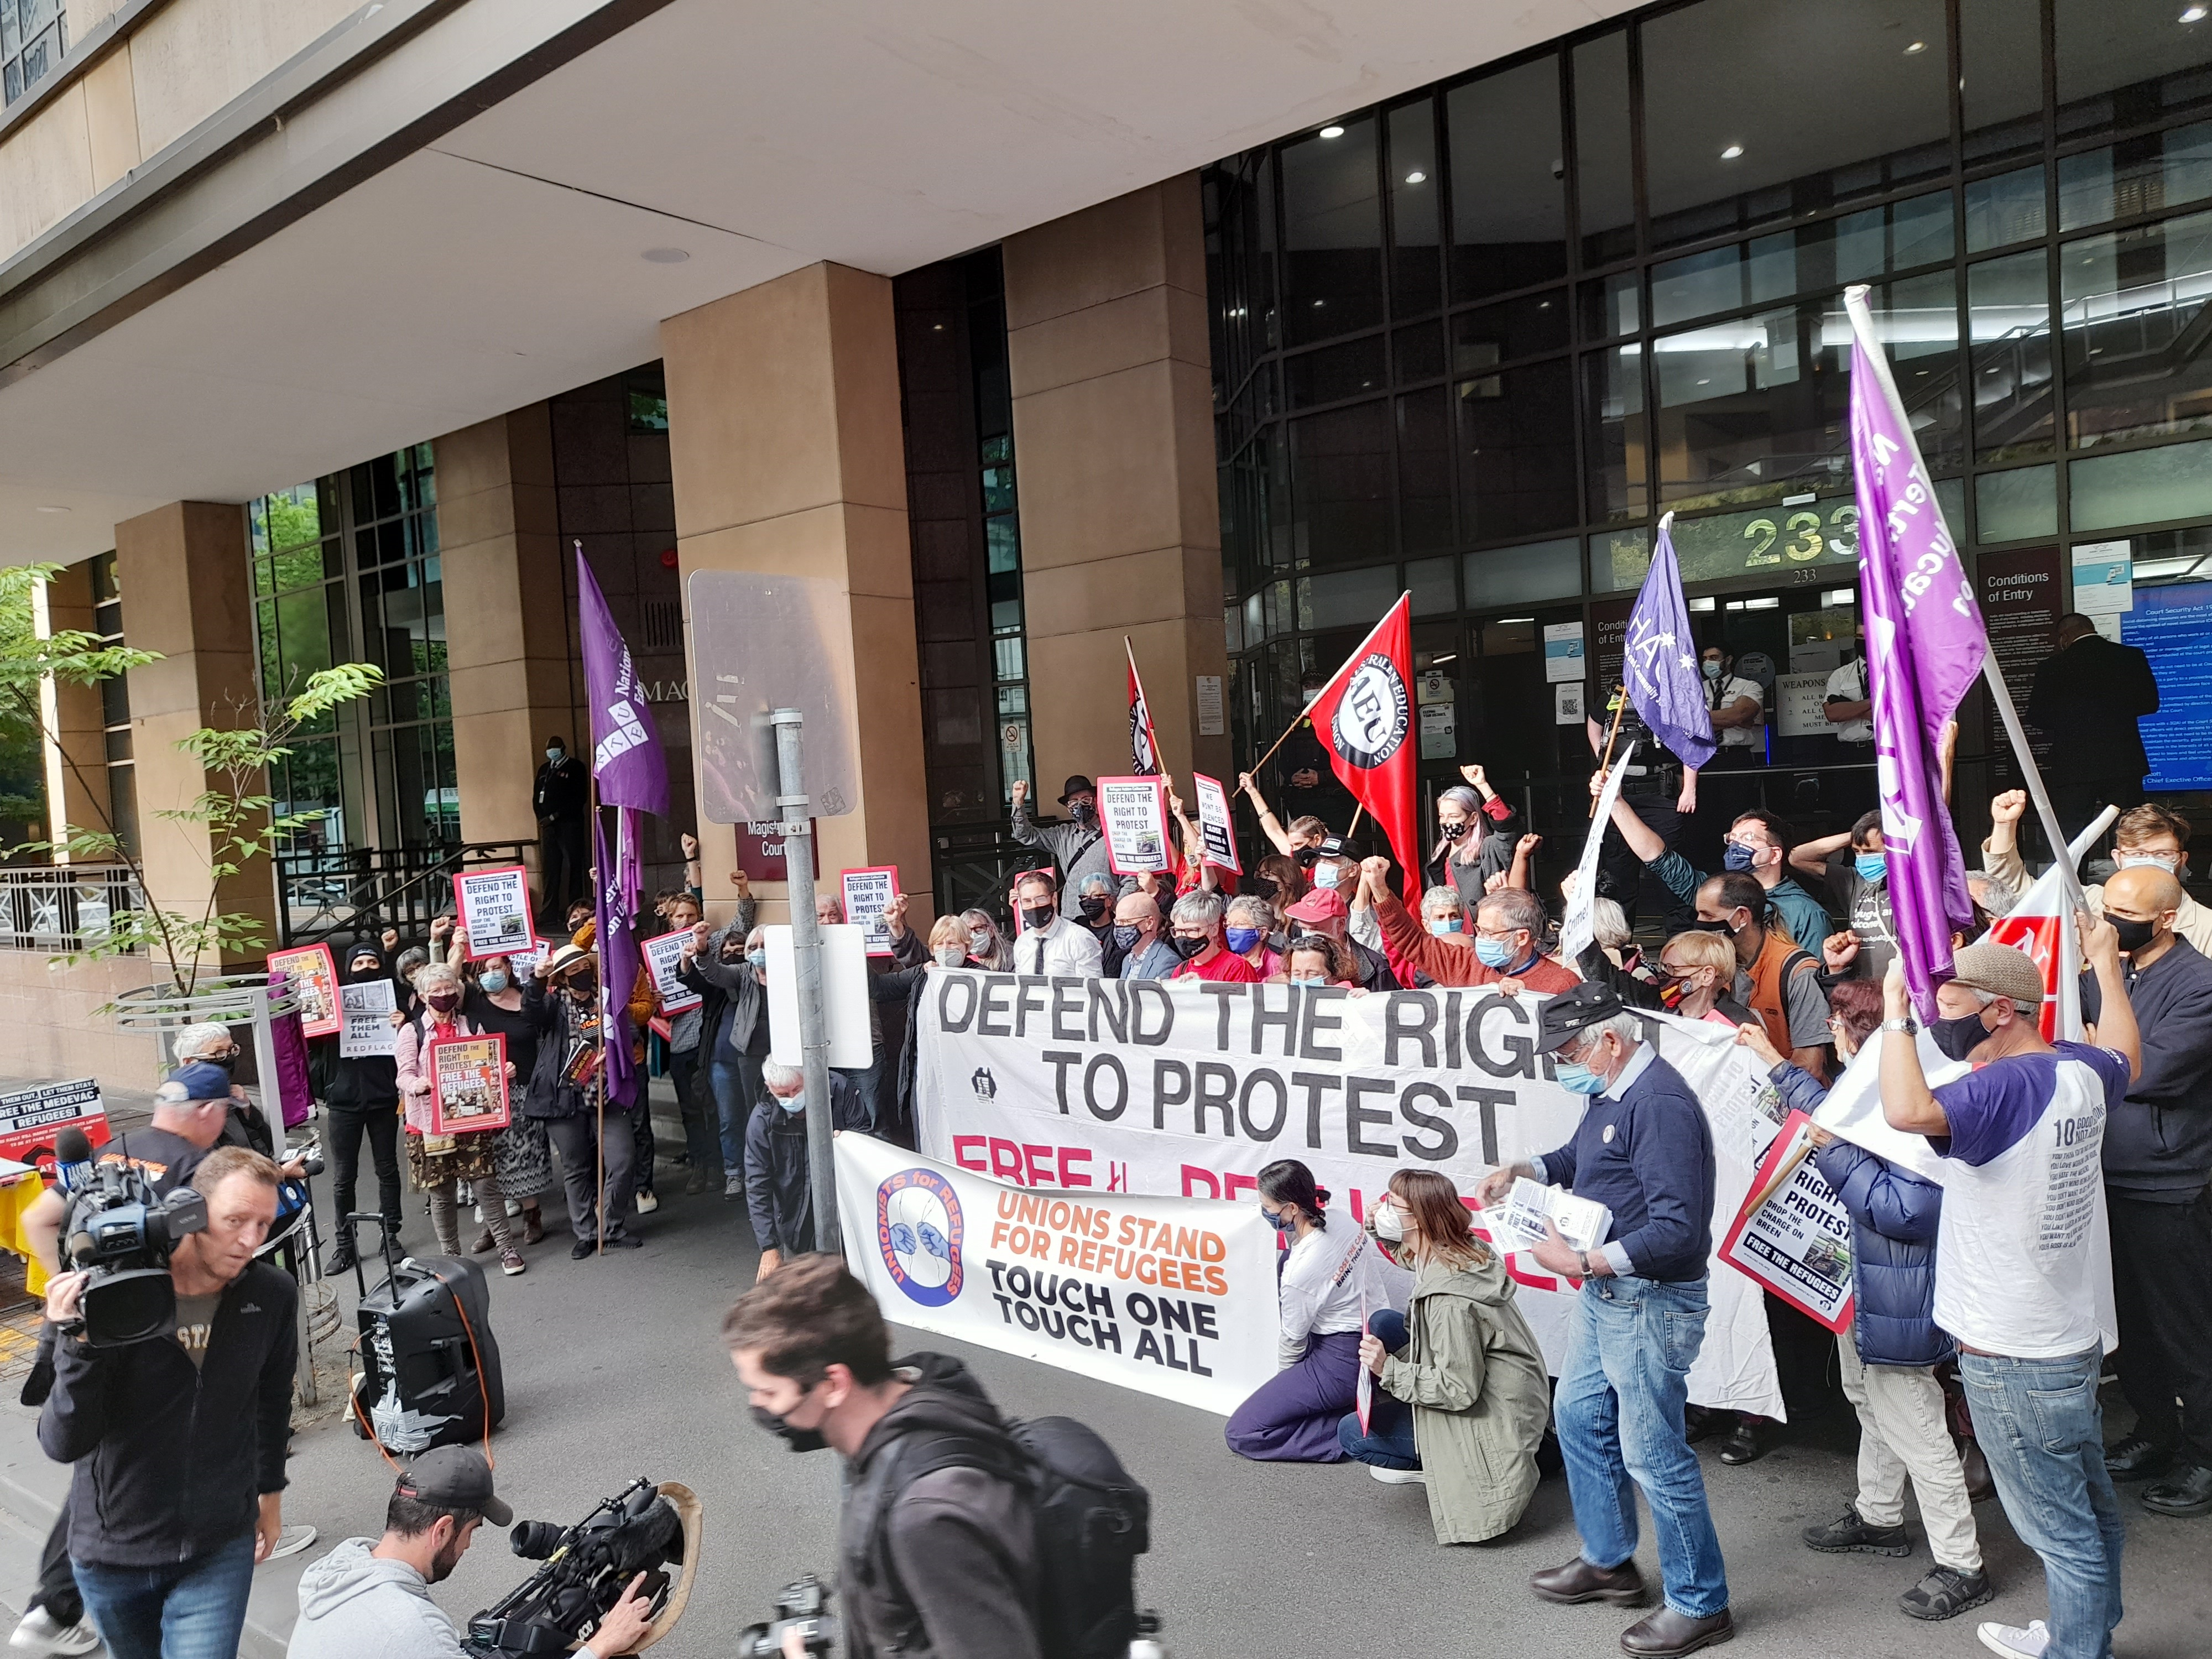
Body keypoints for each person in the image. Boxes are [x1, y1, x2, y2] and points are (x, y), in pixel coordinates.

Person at [1877, 933, 2139, 1659]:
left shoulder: (2001, 1088)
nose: (1936, 1016)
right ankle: (2083, 1635)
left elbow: (1905, 1110)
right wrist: (2108, 968)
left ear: (1998, 1013)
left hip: (2012, 1356)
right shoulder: (2075, 1067)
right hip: (2064, 1339)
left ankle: (2077, 1652)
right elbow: (2128, 1055)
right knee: (2088, 1513)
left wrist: (1894, 1013)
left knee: (2060, 1531)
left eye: (1947, 1004)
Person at [1478, 982, 1731, 1658]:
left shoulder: (1659, 1105)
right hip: (1614, 1294)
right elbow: (1586, 1162)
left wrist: (1584, 1261)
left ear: (1610, 1041)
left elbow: (1679, 1230)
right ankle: (1609, 1560)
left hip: (1645, 1297)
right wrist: (1525, 1170)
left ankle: (1700, 1602)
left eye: (1565, 1051)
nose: (1560, 1064)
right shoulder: (1614, 1091)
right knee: (1579, 1417)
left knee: (1654, 1452)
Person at [1734, 994, 1991, 1624]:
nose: (1832, 1039)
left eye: (1843, 1029)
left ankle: (1963, 1563)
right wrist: (1774, 1061)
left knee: (1919, 1426)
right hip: (1873, 1291)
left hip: (1902, 1296)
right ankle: (1879, 1517)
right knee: (1869, 1398)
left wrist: (1833, 1151)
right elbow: (1836, 1113)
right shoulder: (1891, 1089)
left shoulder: (1931, 1111)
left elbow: (1905, 1210)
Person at [40, 1148, 296, 1659]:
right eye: (236, 1220)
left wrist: (270, 1495)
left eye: (265, 1224)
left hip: (219, 1546)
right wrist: (78, 1343)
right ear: (191, 1213)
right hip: (113, 1555)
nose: (251, 1240)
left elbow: (272, 1401)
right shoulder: (109, 1295)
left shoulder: (272, 1294)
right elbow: (62, 1440)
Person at [723, 1254, 1043, 1659]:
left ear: (835, 1383)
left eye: (768, 1392)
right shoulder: (933, 1383)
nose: (761, 1407)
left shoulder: (926, 1519)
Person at [2076, 864, 2212, 1517]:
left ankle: (2205, 1454)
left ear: (2165, 918)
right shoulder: (2112, 968)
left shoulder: (2199, 984)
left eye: (2124, 912)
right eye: (2106, 907)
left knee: (2186, 1329)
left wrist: (2099, 1039)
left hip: (2169, 1182)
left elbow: (2136, 1071)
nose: (2110, 921)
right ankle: (2154, 1431)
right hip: (2102, 1176)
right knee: (2128, 1325)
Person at [1338, 1170, 1550, 1541]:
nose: (1383, 1208)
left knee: (1352, 1433)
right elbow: (1410, 1257)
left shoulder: (1449, 1304)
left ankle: (1444, 1466)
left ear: (1420, 1219)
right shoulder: (1458, 1246)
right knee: (1386, 1322)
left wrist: (1388, 1369)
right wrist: (1377, 1227)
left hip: (1484, 1415)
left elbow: (1458, 1389)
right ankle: (1543, 1451)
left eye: (1393, 1205)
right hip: (1515, 1397)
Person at [288, 1447, 655, 1659]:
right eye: (471, 1531)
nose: (468, 1546)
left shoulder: (341, 1571)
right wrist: (600, 1646)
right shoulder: (411, 1628)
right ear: (442, 1530)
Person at [1225, 1161, 1391, 1462]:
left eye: (1268, 1207)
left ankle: (1357, 1429)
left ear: (1291, 1208)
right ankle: (1356, 1402)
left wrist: (1285, 1386)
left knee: (1243, 1432)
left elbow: (1292, 1342)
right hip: (1377, 1338)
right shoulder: (1341, 1218)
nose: (1264, 1212)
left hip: (1343, 1361)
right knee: (1285, 1259)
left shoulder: (1299, 1275)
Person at [1598, 774, 1830, 954]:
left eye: (1748, 838)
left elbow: (1816, 980)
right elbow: (1657, 857)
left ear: (1775, 855)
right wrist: (1616, 803)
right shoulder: (1714, 893)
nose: (1737, 845)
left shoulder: (1804, 912)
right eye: (1733, 838)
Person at [394, 964, 524, 1276]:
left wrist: (504, 1072)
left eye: (449, 988)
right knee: (442, 1193)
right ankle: (451, 1258)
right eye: (436, 991)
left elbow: (488, 1065)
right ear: (423, 996)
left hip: (471, 1120)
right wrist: (417, 1085)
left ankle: (507, 1248)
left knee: (486, 1186)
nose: (444, 995)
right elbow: (404, 1074)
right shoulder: (412, 1031)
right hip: (429, 1124)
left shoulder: (472, 1025)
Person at [522, 943, 640, 1258]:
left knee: (623, 1160)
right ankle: (586, 1233)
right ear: (562, 979)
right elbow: (531, 1011)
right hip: (565, 1097)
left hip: (606, 1095)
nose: (580, 975)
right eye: (572, 972)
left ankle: (612, 1226)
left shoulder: (608, 1002)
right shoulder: (553, 1007)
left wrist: (612, 1055)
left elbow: (632, 1033)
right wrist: (536, 979)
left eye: (583, 969)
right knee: (576, 1167)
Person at [1984, 794, 2212, 956]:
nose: (2148, 862)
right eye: (2137, 853)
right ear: (2118, 858)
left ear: (2181, 859)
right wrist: (2005, 825)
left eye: (2162, 853)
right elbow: (2016, 892)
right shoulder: (2087, 902)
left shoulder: (2206, 927)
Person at [447, 940, 552, 1250]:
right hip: (485, 1095)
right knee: (487, 1161)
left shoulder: (528, 1000)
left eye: (497, 967)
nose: (492, 974)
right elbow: (448, 983)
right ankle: (495, 1227)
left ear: (509, 967)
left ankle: (532, 1216)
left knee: (525, 1156)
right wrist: (458, 948)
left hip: (525, 1089)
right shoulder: (474, 1002)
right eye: (485, 970)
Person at [2028, 613, 2160, 846]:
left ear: (2065, 636)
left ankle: (2073, 883)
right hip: (2123, 760)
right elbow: (2150, 704)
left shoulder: (2052, 667)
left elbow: (2037, 718)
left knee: (2073, 836)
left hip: (2073, 765)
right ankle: (2140, 879)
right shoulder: (2130, 657)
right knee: (2135, 830)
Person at [1361, 860, 1575, 993]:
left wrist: (1528, 996)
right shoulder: (1463, 964)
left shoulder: (1562, 984)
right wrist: (1379, 888)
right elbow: (1413, 941)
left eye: (1489, 933)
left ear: (1521, 937)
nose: (1480, 938)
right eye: (1479, 930)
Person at [1695, 873, 1829, 1082]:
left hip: (1779, 1098)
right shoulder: (1711, 963)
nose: (1699, 924)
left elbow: (1810, 1066)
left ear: (1741, 916)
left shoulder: (1797, 971)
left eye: (1708, 916)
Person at [323, 943, 405, 1275]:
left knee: (387, 1169)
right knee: (344, 1176)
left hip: (383, 1097)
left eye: (373, 961)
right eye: (359, 962)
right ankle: (345, 1246)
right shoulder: (333, 1007)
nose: (366, 966)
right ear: (348, 967)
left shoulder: (394, 1001)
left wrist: (404, 1022)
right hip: (343, 1102)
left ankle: (391, 1237)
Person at [747, 1062, 869, 1281]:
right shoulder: (761, 1121)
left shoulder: (837, 1089)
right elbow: (757, 1184)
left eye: (797, 1090)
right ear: (769, 1088)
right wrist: (768, 1246)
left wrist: (849, 1142)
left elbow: (867, 1138)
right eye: (783, 1094)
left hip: (846, 1208)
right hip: (795, 1217)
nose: (792, 1099)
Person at [679, 896, 763, 1199]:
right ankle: (733, 1175)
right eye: (727, 952)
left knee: (759, 1119)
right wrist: (700, 949)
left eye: (740, 952)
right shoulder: (716, 986)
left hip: (755, 1060)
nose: (733, 956)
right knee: (729, 1120)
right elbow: (705, 976)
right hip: (721, 1063)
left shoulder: (756, 981)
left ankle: (759, 1174)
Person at [1792, 811, 1896, 982]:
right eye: (1857, 851)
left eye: (1870, 851)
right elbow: (1798, 857)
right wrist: (1858, 834)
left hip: (1901, 989)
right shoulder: (1853, 881)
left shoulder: (1911, 884)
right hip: (1861, 990)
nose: (1862, 858)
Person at [1010, 776, 1124, 918]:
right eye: (1074, 802)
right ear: (1068, 807)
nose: (1080, 805)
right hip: (1072, 916)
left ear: (1095, 800)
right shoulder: (1062, 835)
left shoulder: (1115, 833)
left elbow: (1129, 878)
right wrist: (1018, 803)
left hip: (1107, 918)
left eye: (1085, 800)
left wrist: (1121, 910)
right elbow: (1025, 835)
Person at [1425, 768, 1520, 915]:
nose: (1446, 822)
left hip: (1479, 931)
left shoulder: (1487, 848)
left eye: (1453, 816)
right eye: (1442, 816)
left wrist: (1482, 785)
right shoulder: (1439, 856)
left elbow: (1506, 828)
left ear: (1473, 818)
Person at [1281, 886, 1397, 990]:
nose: (1309, 935)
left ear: (1341, 924)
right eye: (1303, 928)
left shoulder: (1377, 969)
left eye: (1316, 929)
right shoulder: (1293, 958)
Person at [533, 736, 589, 923]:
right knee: (551, 869)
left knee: (574, 866)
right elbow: (536, 796)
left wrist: (556, 816)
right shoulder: (544, 769)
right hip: (549, 827)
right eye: (550, 749)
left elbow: (578, 798)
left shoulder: (575, 768)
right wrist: (542, 817)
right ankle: (549, 912)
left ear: (563, 749)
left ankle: (576, 911)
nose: (552, 752)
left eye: (555, 749)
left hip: (569, 824)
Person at [1008, 868, 1104, 977]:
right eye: (1027, 901)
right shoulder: (1022, 942)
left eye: (1040, 899)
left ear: (1054, 899)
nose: (1034, 906)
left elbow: (1091, 989)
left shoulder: (1079, 939)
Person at [1167, 890, 1260, 983]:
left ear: (1214, 930)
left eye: (1192, 930)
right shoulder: (1181, 970)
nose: (1183, 937)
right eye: (1178, 931)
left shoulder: (1237, 969)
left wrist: (1202, 988)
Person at [1112, 891, 1179, 981]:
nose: (1119, 926)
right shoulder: (1127, 961)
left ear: (1149, 923)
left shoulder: (1167, 961)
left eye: (1125, 921)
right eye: (1117, 922)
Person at [1224, 893, 1284, 979]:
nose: (1232, 930)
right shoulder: (1223, 963)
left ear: (1262, 932)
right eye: (1229, 925)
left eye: (1240, 924)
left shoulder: (1279, 966)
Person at [1277, 935, 1361, 988]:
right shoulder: (1282, 1003)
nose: (1303, 980)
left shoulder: (1350, 1002)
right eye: (1297, 974)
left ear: (1335, 976)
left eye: (1313, 974)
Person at [960, 907, 1013, 972]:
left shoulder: (1011, 956)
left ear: (991, 930)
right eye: (967, 930)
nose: (973, 934)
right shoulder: (961, 960)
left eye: (979, 928)